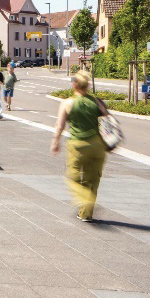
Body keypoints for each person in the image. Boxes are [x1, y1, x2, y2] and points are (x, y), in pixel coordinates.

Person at [50, 70, 108, 221]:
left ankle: (83, 198)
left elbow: (60, 125)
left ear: (75, 85)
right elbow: (108, 121)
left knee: (73, 177)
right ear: (87, 85)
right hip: (97, 146)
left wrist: (55, 141)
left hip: (77, 146)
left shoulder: (67, 103)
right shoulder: (97, 102)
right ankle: (86, 213)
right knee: (92, 180)